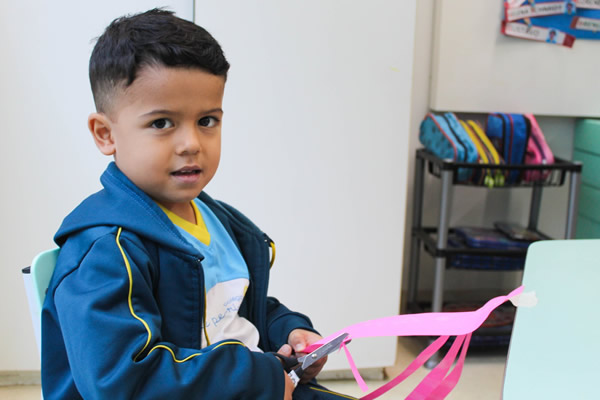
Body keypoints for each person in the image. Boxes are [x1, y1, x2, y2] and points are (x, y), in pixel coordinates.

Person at [41, 8, 355, 400]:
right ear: (106, 134)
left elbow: (234, 312)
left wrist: (288, 330)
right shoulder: (105, 251)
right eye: (161, 123)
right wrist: (260, 378)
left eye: (207, 120)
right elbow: (121, 383)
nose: (191, 143)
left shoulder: (219, 222)